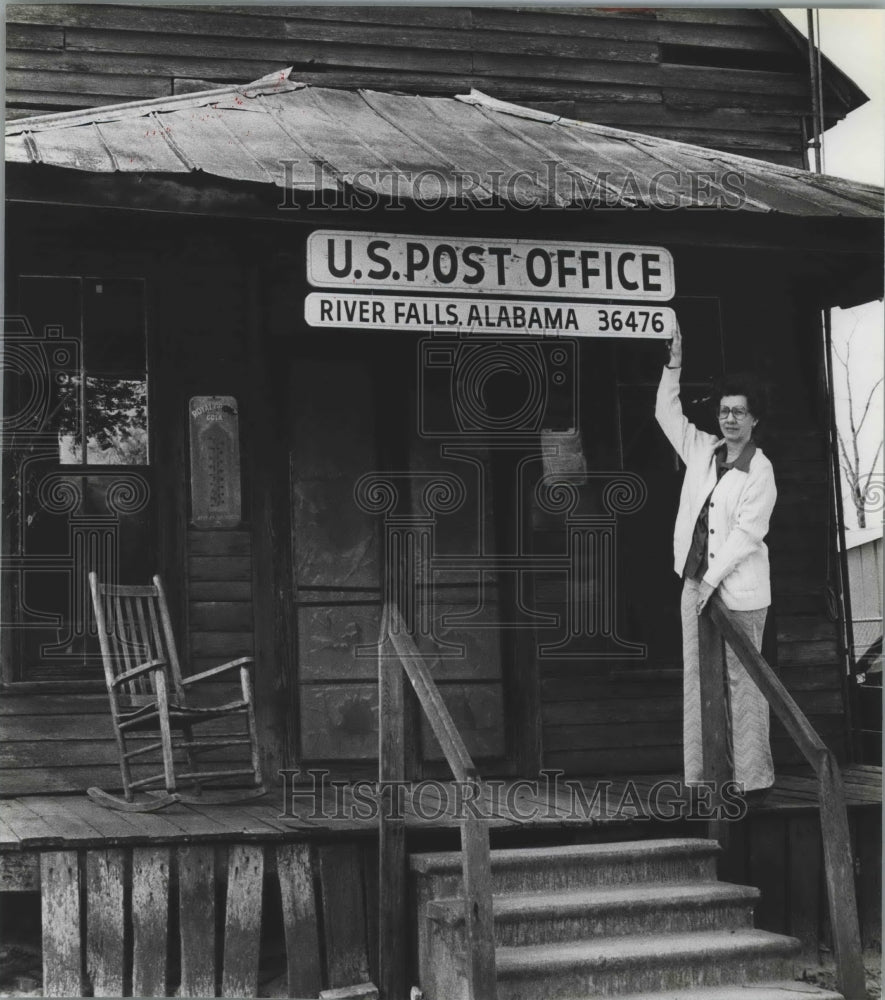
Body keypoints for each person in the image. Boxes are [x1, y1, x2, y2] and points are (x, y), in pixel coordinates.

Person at [655, 323, 777, 795]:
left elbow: (748, 533)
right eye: (725, 411)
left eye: (739, 413)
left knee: (744, 684)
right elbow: (667, 414)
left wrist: (711, 582)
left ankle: (751, 779)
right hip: (694, 586)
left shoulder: (759, 469)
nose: (729, 419)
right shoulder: (703, 450)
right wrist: (674, 366)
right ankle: (704, 775)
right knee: (697, 678)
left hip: (738, 592)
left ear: (753, 420)